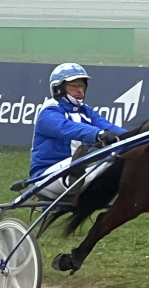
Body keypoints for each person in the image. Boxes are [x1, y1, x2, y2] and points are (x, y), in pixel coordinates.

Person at [30, 63, 127, 198]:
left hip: (81, 165)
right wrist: (98, 134)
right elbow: (66, 128)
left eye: (81, 86)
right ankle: (75, 173)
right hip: (46, 173)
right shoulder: (48, 112)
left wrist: (133, 136)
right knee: (92, 160)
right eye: (73, 86)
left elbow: (107, 126)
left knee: (119, 161)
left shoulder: (85, 110)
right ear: (58, 89)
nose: (80, 90)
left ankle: (79, 171)